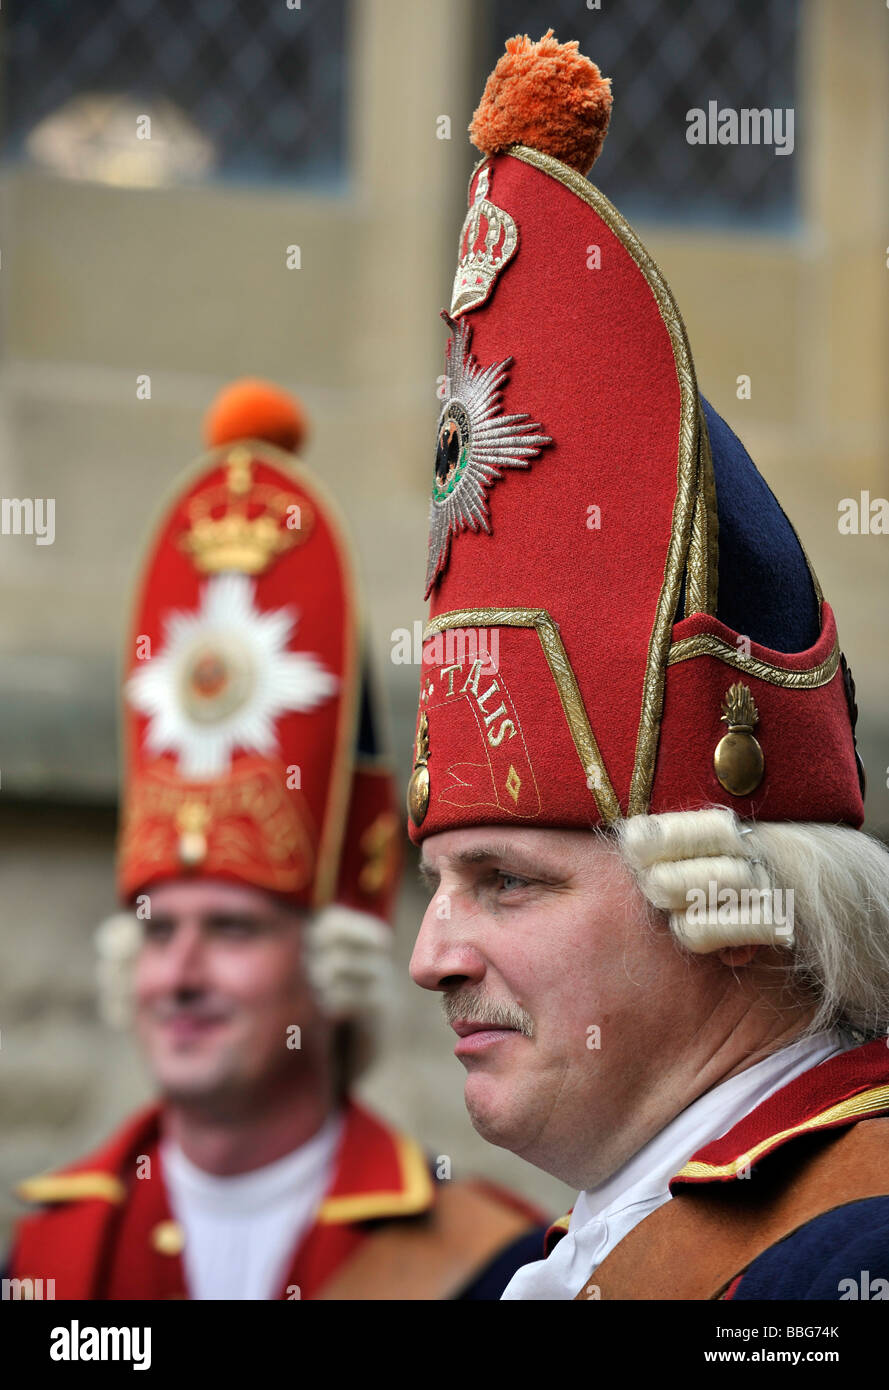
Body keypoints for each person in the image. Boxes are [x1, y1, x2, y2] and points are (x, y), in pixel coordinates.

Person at [406, 32, 889, 1301]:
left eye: (506, 882)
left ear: (725, 900)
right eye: (441, 882)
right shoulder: (574, 1252)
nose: (429, 953)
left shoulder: (850, 1258)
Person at [6, 379, 545, 1301]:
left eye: (232, 930)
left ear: (329, 967)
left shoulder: (494, 1269)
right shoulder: (40, 1260)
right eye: (156, 928)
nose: (178, 973)